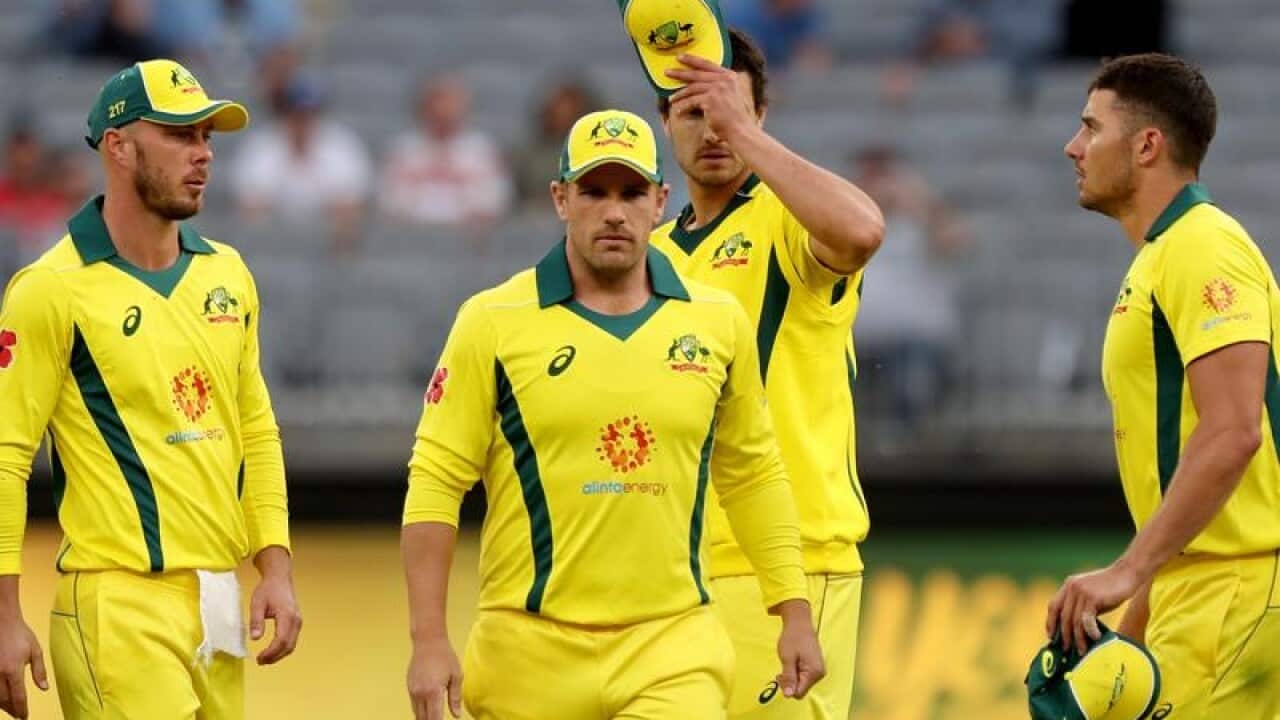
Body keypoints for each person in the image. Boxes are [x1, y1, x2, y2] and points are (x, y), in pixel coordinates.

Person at [401, 109, 824, 720]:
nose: (615, 212)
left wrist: (794, 611)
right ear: (560, 199)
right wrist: (428, 640)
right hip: (526, 652)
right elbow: (437, 481)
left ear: (660, 202)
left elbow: (753, 472)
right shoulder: (492, 321)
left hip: (673, 647)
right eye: (594, 192)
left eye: (631, 193)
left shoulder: (716, 321)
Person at [0, 59, 300, 720]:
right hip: (117, 604)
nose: (203, 154)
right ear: (118, 145)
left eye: (207, 137)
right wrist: (3, 613)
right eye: (179, 135)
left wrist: (275, 569)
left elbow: (255, 430)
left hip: (217, 598)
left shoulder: (228, 274)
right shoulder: (50, 289)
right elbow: (6, 457)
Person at [651, 30, 885, 720]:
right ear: (664, 123)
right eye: (693, 112)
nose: (712, 130)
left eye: (728, 110)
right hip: (677, 574)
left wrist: (746, 136)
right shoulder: (652, 255)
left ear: (758, 116)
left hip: (792, 564)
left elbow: (862, 231)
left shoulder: (787, 220)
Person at [1049, 53, 1280, 718]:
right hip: (1199, 592)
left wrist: (1127, 570)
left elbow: (1233, 431)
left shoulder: (1203, 246)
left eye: (1092, 127)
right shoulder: (1165, 253)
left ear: (1147, 145)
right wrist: (1136, 630)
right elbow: (1187, 469)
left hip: (1237, 591)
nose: (1073, 147)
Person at [230, 72, 372, 254]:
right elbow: (251, 210)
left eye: (310, 113)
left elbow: (350, 207)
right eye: (297, 112)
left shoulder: (342, 147)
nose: (303, 121)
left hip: (327, 249)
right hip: (273, 247)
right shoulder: (261, 147)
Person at [378, 73, 512, 233]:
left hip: (466, 236)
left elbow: (493, 202)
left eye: (451, 103)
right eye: (437, 101)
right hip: (411, 235)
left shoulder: (482, 150)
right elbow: (389, 202)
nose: (443, 110)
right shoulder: (402, 149)